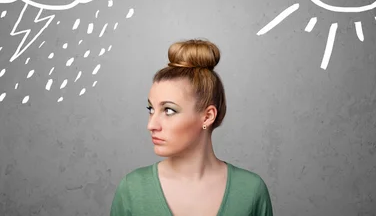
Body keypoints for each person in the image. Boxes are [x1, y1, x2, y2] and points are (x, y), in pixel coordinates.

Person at [110, 39, 274, 215]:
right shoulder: (132, 189)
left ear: (208, 116)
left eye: (169, 110)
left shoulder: (250, 191)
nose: (151, 125)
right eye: (151, 109)